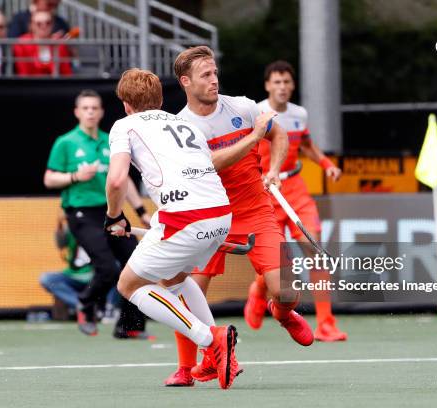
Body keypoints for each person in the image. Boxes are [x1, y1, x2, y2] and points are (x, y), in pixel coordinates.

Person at [164, 46, 314, 387]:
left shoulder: (244, 107)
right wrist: (253, 138)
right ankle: (187, 369)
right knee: (184, 293)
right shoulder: (181, 127)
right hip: (209, 218)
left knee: (287, 290)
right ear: (185, 82)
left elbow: (279, 136)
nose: (214, 80)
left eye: (215, 72)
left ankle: (282, 312)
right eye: (205, 75)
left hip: (255, 211)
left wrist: (274, 168)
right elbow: (210, 165)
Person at [105, 68, 239, 389]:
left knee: (129, 285)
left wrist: (114, 216)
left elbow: (116, 180)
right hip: (220, 214)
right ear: (161, 99)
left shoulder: (124, 125)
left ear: (126, 103)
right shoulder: (183, 122)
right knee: (175, 277)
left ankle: (211, 339)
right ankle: (223, 359)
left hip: (185, 217)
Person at [243, 60, 347, 342]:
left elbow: (307, 145)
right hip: (266, 192)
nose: (282, 87)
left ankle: (325, 323)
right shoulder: (256, 112)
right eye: (276, 82)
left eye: (286, 82)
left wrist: (326, 164)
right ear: (267, 86)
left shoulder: (300, 114)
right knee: (272, 258)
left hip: (295, 188)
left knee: (314, 247)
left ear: (292, 85)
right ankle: (258, 290)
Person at [44, 89, 149, 339]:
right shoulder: (66, 142)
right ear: (77, 112)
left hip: (111, 211)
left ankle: (128, 326)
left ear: (101, 112)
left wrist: (142, 211)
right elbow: (49, 178)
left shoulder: (110, 140)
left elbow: (124, 180)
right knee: (107, 269)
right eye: (85, 108)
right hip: (81, 213)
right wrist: (74, 177)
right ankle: (85, 302)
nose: (90, 112)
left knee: (138, 265)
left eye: (95, 108)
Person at [40, 214, 93, 314]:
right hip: (74, 274)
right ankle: (81, 305)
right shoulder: (70, 227)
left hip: (97, 275)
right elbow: (60, 244)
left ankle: (109, 309)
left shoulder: (99, 226)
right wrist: (59, 224)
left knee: (117, 271)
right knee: (47, 279)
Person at [13, 10, 72, 76]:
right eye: (39, 24)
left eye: (48, 23)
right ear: (32, 25)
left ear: (53, 24)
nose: (44, 26)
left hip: (55, 85)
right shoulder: (22, 43)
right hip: (30, 84)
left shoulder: (59, 44)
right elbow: (23, 73)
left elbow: (66, 73)